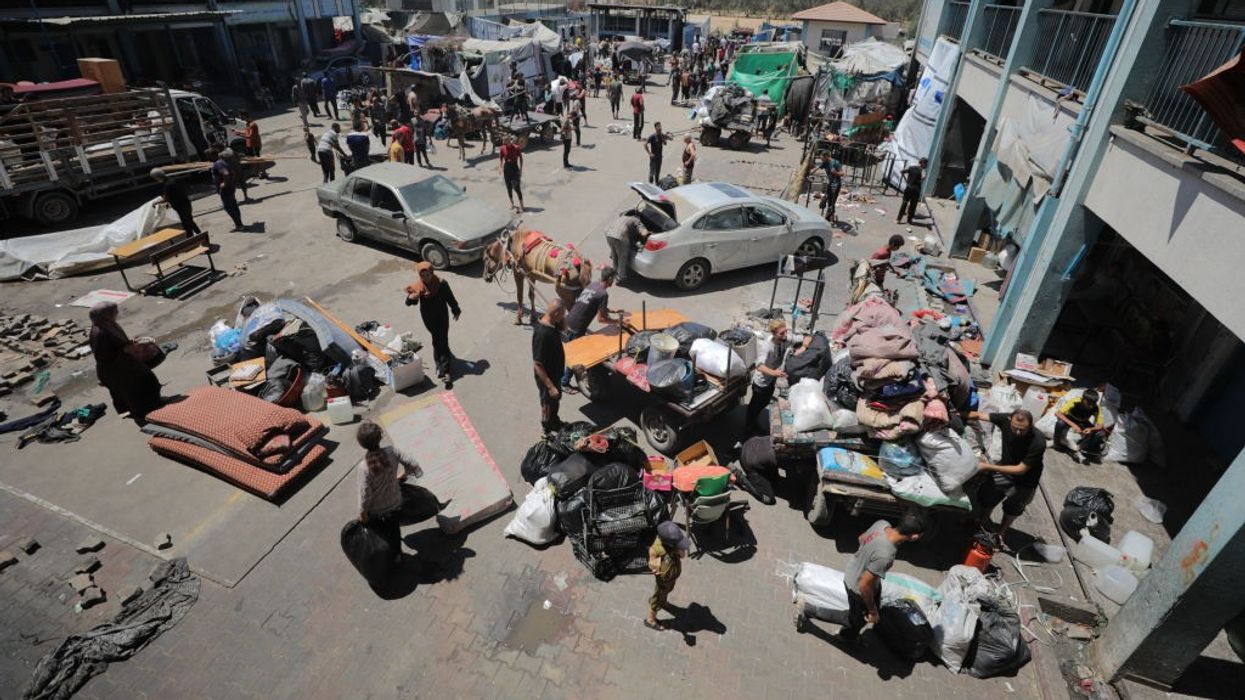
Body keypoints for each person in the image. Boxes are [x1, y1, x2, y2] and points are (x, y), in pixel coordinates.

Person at [809, 511, 926, 641]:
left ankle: (849, 636)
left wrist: (867, 557)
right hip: (857, 587)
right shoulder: (886, 555)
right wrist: (872, 611)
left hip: (854, 571)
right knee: (855, 620)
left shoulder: (882, 524)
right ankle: (810, 610)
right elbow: (864, 585)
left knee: (863, 615)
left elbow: (861, 538)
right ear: (914, 536)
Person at [966, 408, 1047, 546]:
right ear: (1010, 420)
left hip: (1025, 480)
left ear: (1031, 425)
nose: (1018, 432)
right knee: (988, 496)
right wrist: (956, 413)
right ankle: (983, 520)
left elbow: (1021, 469)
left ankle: (1002, 532)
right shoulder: (1004, 419)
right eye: (1015, 428)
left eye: (1023, 429)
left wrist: (988, 467)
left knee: (1013, 507)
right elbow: (980, 415)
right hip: (1005, 469)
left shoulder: (1038, 441)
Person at [355, 420, 423, 565]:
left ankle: (389, 560)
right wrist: (404, 475)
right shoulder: (392, 451)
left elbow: (365, 495)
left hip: (378, 512)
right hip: (396, 502)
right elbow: (413, 463)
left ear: (362, 444)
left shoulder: (364, 468)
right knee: (394, 532)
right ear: (380, 438)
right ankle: (397, 556)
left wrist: (363, 514)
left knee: (382, 536)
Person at [89, 301, 162, 423]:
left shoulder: (108, 325)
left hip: (124, 364)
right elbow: (103, 357)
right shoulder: (100, 333)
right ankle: (145, 414)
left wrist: (129, 344)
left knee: (146, 381)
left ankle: (152, 406)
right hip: (116, 370)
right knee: (136, 389)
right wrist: (125, 349)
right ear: (105, 314)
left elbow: (117, 342)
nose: (117, 313)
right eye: (114, 311)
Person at [745, 319, 809, 432]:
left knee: (764, 402)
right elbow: (759, 366)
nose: (785, 335)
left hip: (771, 380)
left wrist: (804, 346)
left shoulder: (785, 339)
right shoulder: (767, 346)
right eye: (781, 333)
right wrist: (775, 373)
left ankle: (753, 422)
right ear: (774, 333)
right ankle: (748, 427)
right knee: (755, 406)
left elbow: (804, 338)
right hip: (761, 382)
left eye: (786, 332)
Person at [562, 266, 620, 386]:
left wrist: (611, 311)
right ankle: (564, 382)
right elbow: (601, 319)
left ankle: (564, 378)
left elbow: (592, 303)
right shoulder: (603, 294)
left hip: (568, 322)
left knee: (572, 353)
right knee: (576, 356)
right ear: (609, 279)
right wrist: (617, 322)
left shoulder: (593, 285)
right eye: (613, 278)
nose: (613, 281)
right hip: (576, 328)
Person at [405, 262, 462, 384]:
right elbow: (409, 302)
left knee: (442, 339)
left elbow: (450, 298)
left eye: (428, 275)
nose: (426, 278)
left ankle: (445, 370)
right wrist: (410, 299)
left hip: (442, 316)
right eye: (423, 275)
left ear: (432, 273)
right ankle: (440, 365)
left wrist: (456, 310)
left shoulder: (441, 284)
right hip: (428, 318)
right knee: (436, 339)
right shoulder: (418, 286)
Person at [645, 521, 691, 631]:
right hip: (663, 580)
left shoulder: (674, 544)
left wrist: (679, 550)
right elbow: (652, 563)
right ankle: (650, 620)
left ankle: (664, 602)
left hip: (672, 577)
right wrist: (654, 568)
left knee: (668, 590)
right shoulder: (656, 549)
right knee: (657, 599)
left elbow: (683, 556)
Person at [532, 300, 568, 434]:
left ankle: (554, 421)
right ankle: (547, 428)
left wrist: (561, 318)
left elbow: (564, 328)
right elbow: (537, 364)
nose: (564, 317)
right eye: (563, 314)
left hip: (555, 374)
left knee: (555, 401)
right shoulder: (542, 334)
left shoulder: (552, 322)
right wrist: (550, 386)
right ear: (556, 313)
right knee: (547, 404)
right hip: (547, 378)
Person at [1053, 389, 1107, 463]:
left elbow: (1100, 425)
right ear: (1083, 399)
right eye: (1089, 403)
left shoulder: (1096, 408)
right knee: (1060, 423)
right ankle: (1057, 443)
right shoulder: (1075, 401)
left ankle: (1079, 448)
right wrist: (1073, 425)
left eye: (1093, 403)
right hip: (1070, 419)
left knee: (1101, 433)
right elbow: (1058, 413)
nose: (1091, 406)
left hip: (1083, 422)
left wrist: (1091, 429)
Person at [150, 168, 199, 235]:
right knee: (189, 221)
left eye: (155, 178)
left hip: (181, 206)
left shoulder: (167, 185)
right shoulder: (173, 180)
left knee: (186, 223)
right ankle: (199, 235)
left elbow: (167, 198)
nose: (156, 180)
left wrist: (156, 203)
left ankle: (191, 238)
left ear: (158, 177)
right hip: (186, 203)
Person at [605, 212, 649, 283]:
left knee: (614, 253)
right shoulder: (636, 220)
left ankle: (614, 271)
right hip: (620, 237)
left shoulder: (623, 217)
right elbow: (644, 232)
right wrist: (649, 234)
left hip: (609, 234)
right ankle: (621, 277)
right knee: (622, 257)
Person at [211, 151, 245, 231]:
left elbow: (226, 174)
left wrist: (225, 184)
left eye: (209, 156)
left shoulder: (218, 164)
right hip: (230, 187)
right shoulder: (223, 162)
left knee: (229, 207)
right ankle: (239, 223)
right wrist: (231, 181)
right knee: (233, 205)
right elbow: (232, 172)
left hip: (226, 190)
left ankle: (239, 225)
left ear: (213, 155)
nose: (207, 158)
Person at [897, 157, 927, 224]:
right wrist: (921, 179)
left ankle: (898, 219)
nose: (926, 165)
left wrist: (907, 181)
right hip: (916, 190)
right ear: (922, 163)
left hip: (908, 188)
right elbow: (923, 177)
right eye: (926, 163)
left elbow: (902, 171)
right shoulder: (922, 170)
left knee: (904, 203)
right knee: (913, 205)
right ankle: (909, 220)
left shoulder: (911, 167)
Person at [499, 135, 524, 213]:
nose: (503, 142)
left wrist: (520, 169)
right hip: (507, 169)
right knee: (508, 187)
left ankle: (521, 205)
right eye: (503, 140)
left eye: (505, 140)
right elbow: (501, 159)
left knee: (517, 188)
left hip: (514, 168)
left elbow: (521, 158)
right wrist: (500, 167)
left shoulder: (516, 148)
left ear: (509, 140)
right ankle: (512, 203)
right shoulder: (502, 148)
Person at [819, 151, 844, 221]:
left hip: (836, 184)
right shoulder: (825, 163)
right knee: (824, 199)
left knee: (832, 202)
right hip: (830, 184)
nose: (822, 160)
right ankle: (829, 212)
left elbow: (842, 173)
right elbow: (817, 168)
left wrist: (836, 173)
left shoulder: (836, 163)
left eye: (822, 159)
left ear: (826, 156)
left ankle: (829, 216)